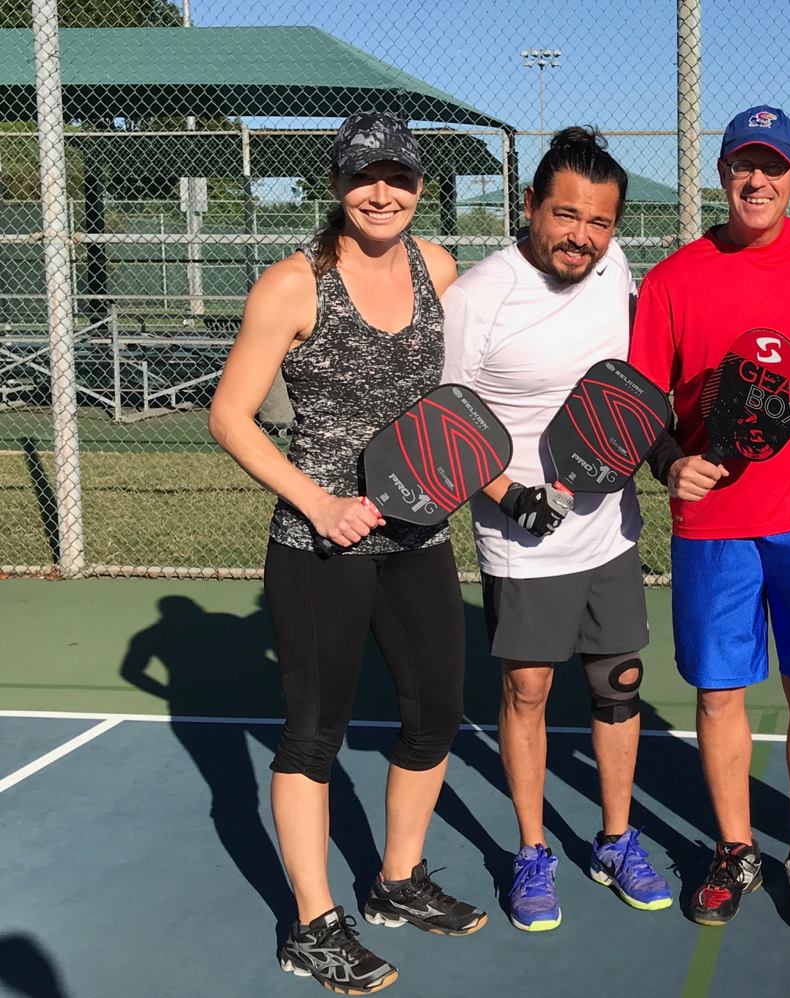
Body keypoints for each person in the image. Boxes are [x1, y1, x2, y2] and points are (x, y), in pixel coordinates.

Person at [209, 110, 486, 995]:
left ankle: (397, 881)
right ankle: (311, 926)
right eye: (365, 175)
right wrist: (317, 501)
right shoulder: (294, 285)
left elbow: (463, 390)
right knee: (313, 735)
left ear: (417, 185)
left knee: (436, 708)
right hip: (317, 542)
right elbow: (228, 415)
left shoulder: (437, 267)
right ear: (337, 184)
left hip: (419, 535)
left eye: (398, 176)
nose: (382, 192)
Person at [629, 106, 790, 933]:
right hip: (714, 527)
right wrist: (667, 461)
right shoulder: (673, 279)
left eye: (773, 166)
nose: (755, 180)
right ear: (722, 174)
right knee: (720, 697)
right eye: (741, 164)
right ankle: (735, 849)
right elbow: (639, 403)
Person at [442, 127, 672, 933]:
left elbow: (637, 388)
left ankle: (615, 839)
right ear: (532, 206)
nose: (581, 235)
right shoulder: (478, 296)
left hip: (610, 529)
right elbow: (443, 420)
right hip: (523, 536)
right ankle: (533, 851)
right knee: (529, 688)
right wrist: (505, 494)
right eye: (566, 215)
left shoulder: (614, 270)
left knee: (618, 685)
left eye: (600, 222)